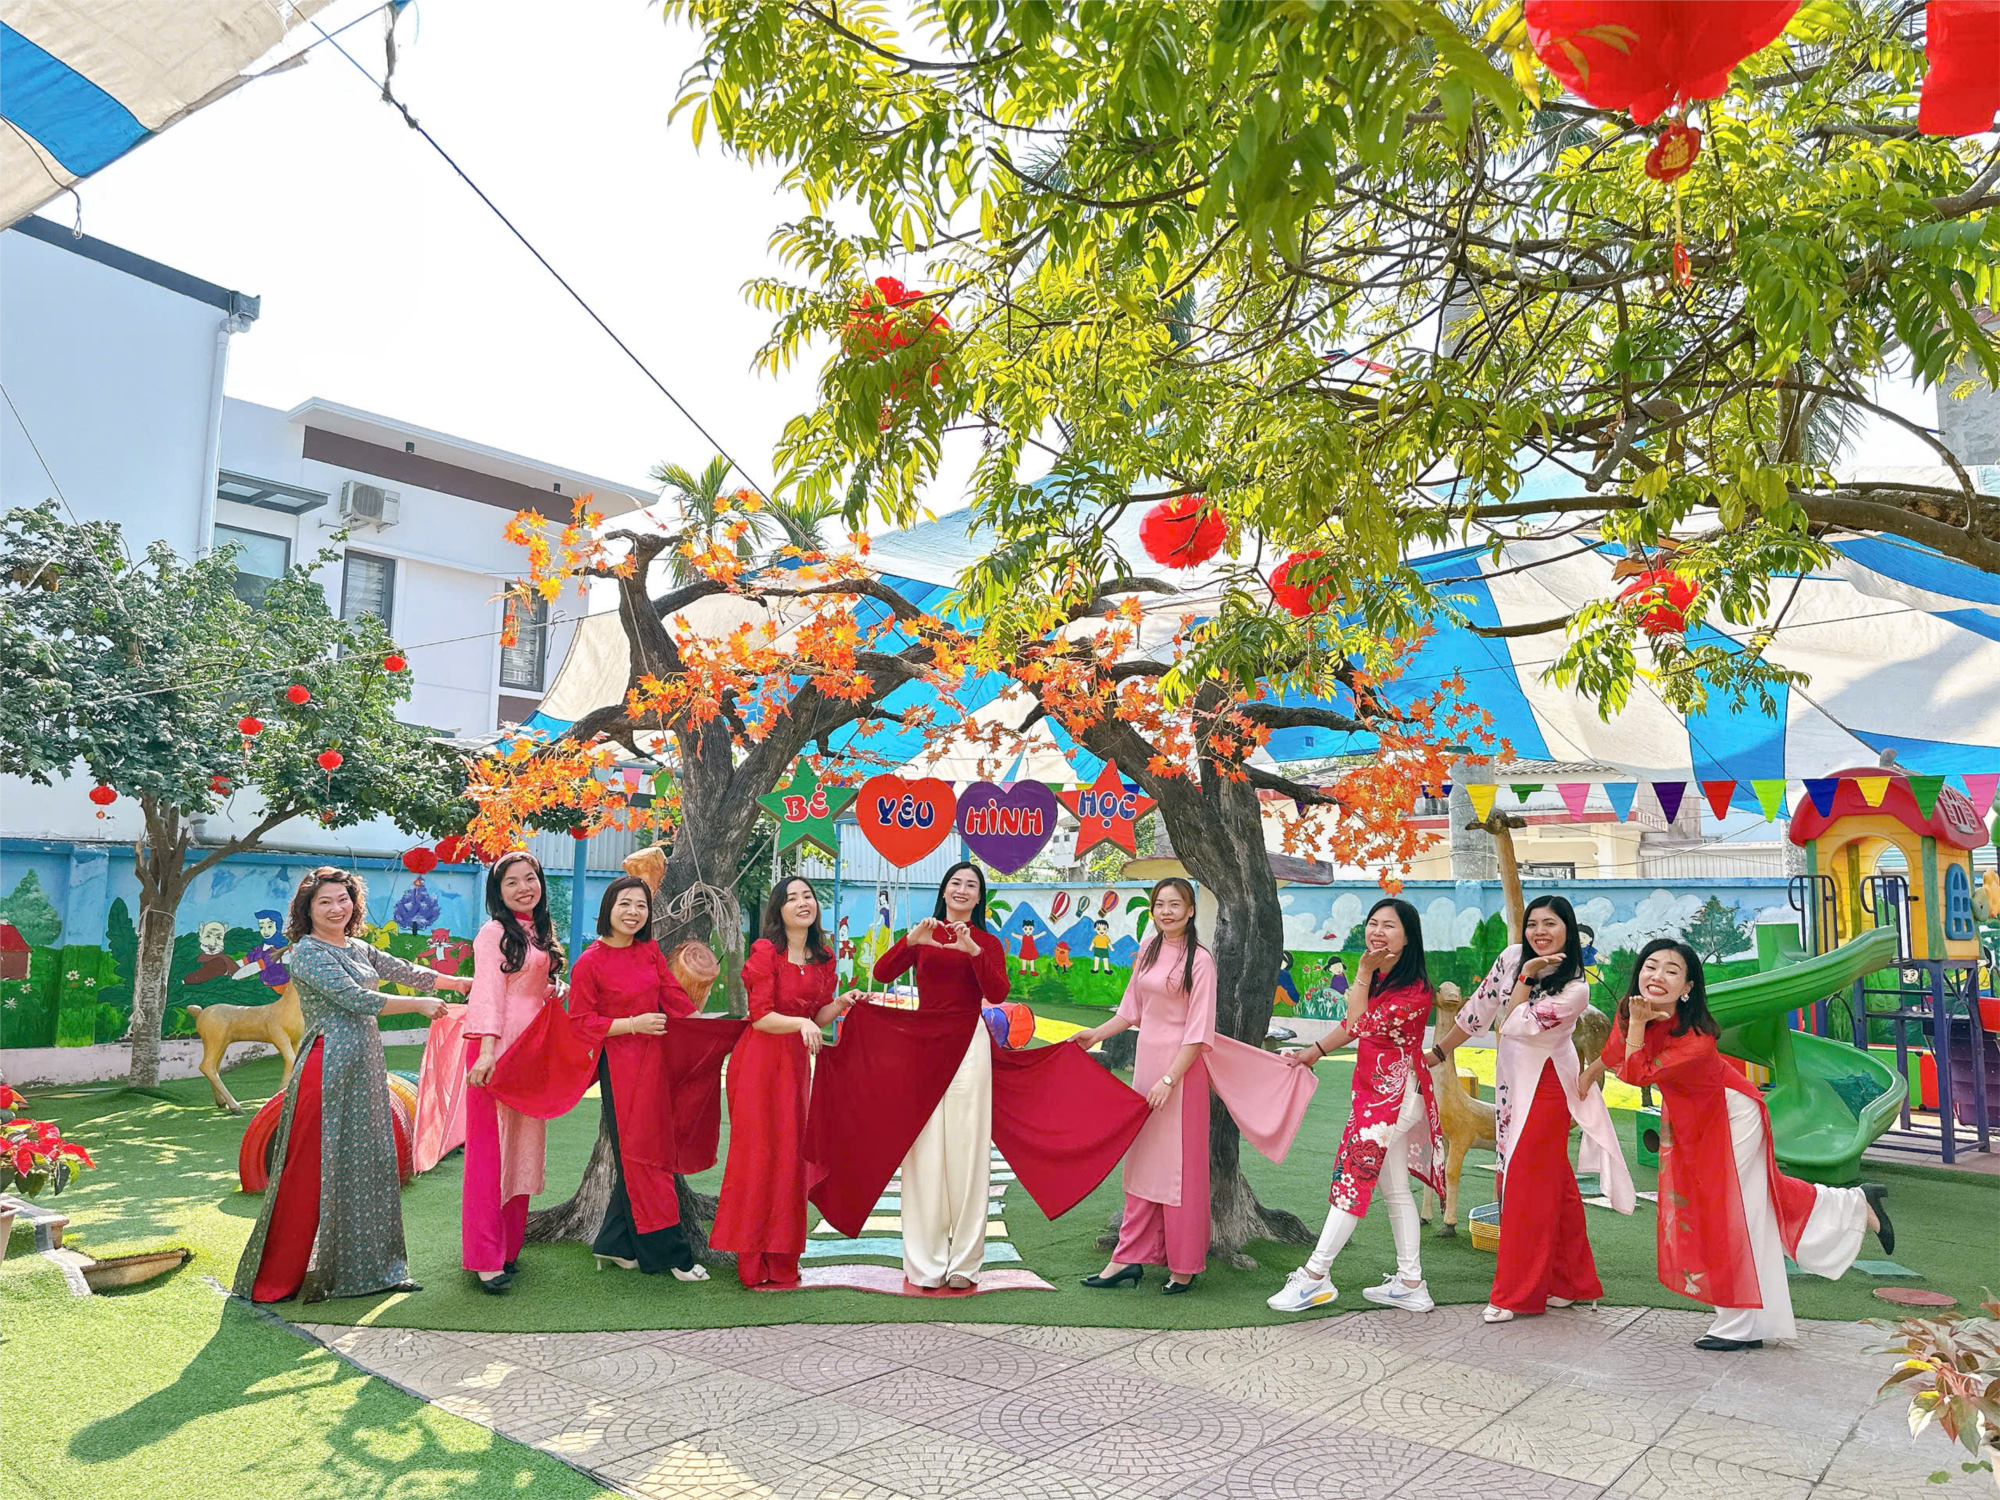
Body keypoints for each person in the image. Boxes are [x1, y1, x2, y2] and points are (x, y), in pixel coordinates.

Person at [808, 861, 1150, 1291]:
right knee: (923, 1153)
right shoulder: (923, 934)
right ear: (944, 890)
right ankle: (924, 1263)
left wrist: (972, 950)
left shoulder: (986, 941)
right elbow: (881, 974)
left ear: (979, 896)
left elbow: (998, 992)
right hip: (923, 1048)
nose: (962, 890)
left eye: (971, 885)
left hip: (969, 1045)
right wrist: (911, 941)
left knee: (968, 1152)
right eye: (956, 883)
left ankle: (965, 1263)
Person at [1591, 940, 1892, 1351]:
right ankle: (1855, 1205)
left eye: (1671, 971)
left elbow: (1636, 1074)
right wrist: (1587, 1074)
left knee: (1731, 1211)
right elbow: (1615, 1053)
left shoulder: (1696, 1038)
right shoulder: (1633, 1010)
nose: (1657, 976)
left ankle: (1741, 1323)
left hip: (1732, 1115)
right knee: (1755, 1201)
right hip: (1692, 1121)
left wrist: (1639, 1027)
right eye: (1651, 966)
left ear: (1688, 987)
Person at [233, 867, 469, 1304]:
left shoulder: (358, 947)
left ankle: (375, 1273)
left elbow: (404, 969)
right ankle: (277, 1278)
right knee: (309, 1172)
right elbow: (358, 999)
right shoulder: (306, 952)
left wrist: (457, 983)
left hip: (365, 1066)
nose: (336, 908)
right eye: (324, 902)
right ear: (307, 910)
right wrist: (420, 1005)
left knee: (372, 1167)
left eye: (343, 899)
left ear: (354, 904)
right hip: (327, 1068)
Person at [1070, 878, 1315, 1294]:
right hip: (1147, 1069)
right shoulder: (1148, 950)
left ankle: (1184, 1265)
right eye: (1159, 904)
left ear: (1189, 911)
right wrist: (1095, 1034)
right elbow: (1130, 1011)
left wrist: (1170, 1079)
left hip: (1182, 1075)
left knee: (1180, 1170)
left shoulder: (1200, 961)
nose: (1166, 911)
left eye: (1175, 904)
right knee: (1142, 1162)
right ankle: (1126, 1258)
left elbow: (1198, 1033)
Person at [1430, 895, 1634, 1323]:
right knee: (1554, 1184)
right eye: (1532, 924)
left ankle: (1515, 1294)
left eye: (1550, 924)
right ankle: (1572, 1282)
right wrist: (1439, 1052)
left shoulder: (1575, 990)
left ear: (1568, 930)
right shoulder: (1510, 957)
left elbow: (1512, 1023)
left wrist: (1525, 976)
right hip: (1511, 1087)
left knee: (1523, 1187)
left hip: (1546, 1090)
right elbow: (1479, 1009)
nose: (1539, 932)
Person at [1268, 897, 1444, 1314]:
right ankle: (1411, 1282)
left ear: (1408, 938)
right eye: (1373, 923)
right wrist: (1313, 1051)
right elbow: (1353, 1025)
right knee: (1395, 1190)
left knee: (1353, 1178)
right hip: (1378, 1097)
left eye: (1389, 926)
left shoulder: (1414, 991)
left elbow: (1360, 1024)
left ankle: (1315, 1276)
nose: (1377, 931)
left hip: (1392, 1102)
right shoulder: (1385, 979)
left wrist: (1361, 974)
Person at [567, 876, 725, 1280]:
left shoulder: (650, 951)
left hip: (657, 1063)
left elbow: (673, 997)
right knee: (645, 1157)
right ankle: (672, 1255)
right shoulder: (589, 962)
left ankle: (614, 1244)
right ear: (608, 908)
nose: (633, 912)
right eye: (625, 904)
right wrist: (633, 1024)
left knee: (646, 1153)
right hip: (621, 1067)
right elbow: (581, 1023)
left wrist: (708, 1031)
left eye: (640, 905)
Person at [711, 876, 856, 1288]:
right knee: (757, 1155)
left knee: (791, 1155)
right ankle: (751, 1261)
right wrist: (801, 1023)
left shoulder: (823, 958)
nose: (802, 902)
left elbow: (817, 1016)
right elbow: (761, 1017)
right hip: (758, 1062)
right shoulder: (765, 952)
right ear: (779, 910)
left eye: (807, 896)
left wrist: (840, 1003)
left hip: (794, 1065)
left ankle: (782, 1259)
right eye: (791, 898)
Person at [461, 851, 564, 1294]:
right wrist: (486, 1052)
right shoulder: (493, 933)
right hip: (495, 1053)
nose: (524, 888)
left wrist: (553, 988)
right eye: (512, 882)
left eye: (530, 878)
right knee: (491, 1154)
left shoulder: (537, 932)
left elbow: (526, 988)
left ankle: (508, 1247)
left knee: (522, 1149)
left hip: (531, 1053)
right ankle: (484, 1257)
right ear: (497, 892)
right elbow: (487, 992)